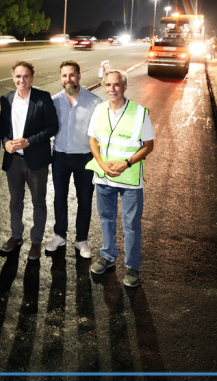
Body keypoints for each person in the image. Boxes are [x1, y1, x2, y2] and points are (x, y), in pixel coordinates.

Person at [86, 70, 155, 288]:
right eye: (108, 85)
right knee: (106, 219)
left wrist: (126, 163)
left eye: (117, 85)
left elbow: (148, 145)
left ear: (125, 87)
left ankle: (132, 266)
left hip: (130, 180)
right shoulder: (99, 110)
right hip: (104, 178)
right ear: (103, 87)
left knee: (131, 225)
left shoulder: (140, 112)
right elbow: (93, 140)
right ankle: (108, 256)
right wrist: (101, 163)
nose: (112, 89)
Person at [0, 61, 59, 260]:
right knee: (15, 201)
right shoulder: (6, 99)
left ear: (32, 77)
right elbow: (2, 129)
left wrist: (29, 142)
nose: (22, 80)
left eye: (26, 76)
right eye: (18, 76)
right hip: (14, 161)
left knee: (38, 202)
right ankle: (16, 236)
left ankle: (36, 241)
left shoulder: (43, 98)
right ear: (13, 78)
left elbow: (52, 127)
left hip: (36, 161)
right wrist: (6, 143)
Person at [45, 60, 102, 259]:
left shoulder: (94, 102)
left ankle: (81, 240)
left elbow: (100, 133)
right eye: (64, 75)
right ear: (61, 78)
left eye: (71, 75)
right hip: (60, 156)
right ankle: (60, 235)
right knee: (59, 198)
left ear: (79, 76)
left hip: (85, 157)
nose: (68, 79)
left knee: (84, 199)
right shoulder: (53, 101)